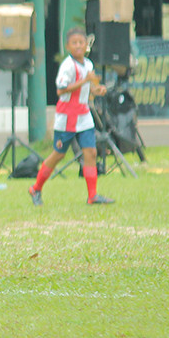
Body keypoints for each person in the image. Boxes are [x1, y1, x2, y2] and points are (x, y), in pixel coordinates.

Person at [27, 27, 115, 206]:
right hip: (67, 116)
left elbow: (88, 89)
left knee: (90, 152)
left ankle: (92, 195)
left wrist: (97, 90)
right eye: (74, 43)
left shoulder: (88, 65)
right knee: (58, 154)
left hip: (83, 115)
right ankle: (36, 188)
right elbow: (61, 90)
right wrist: (84, 81)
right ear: (68, 46)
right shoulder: (67, 66)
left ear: (86, 45)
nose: (78, 46)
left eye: (81, 43)